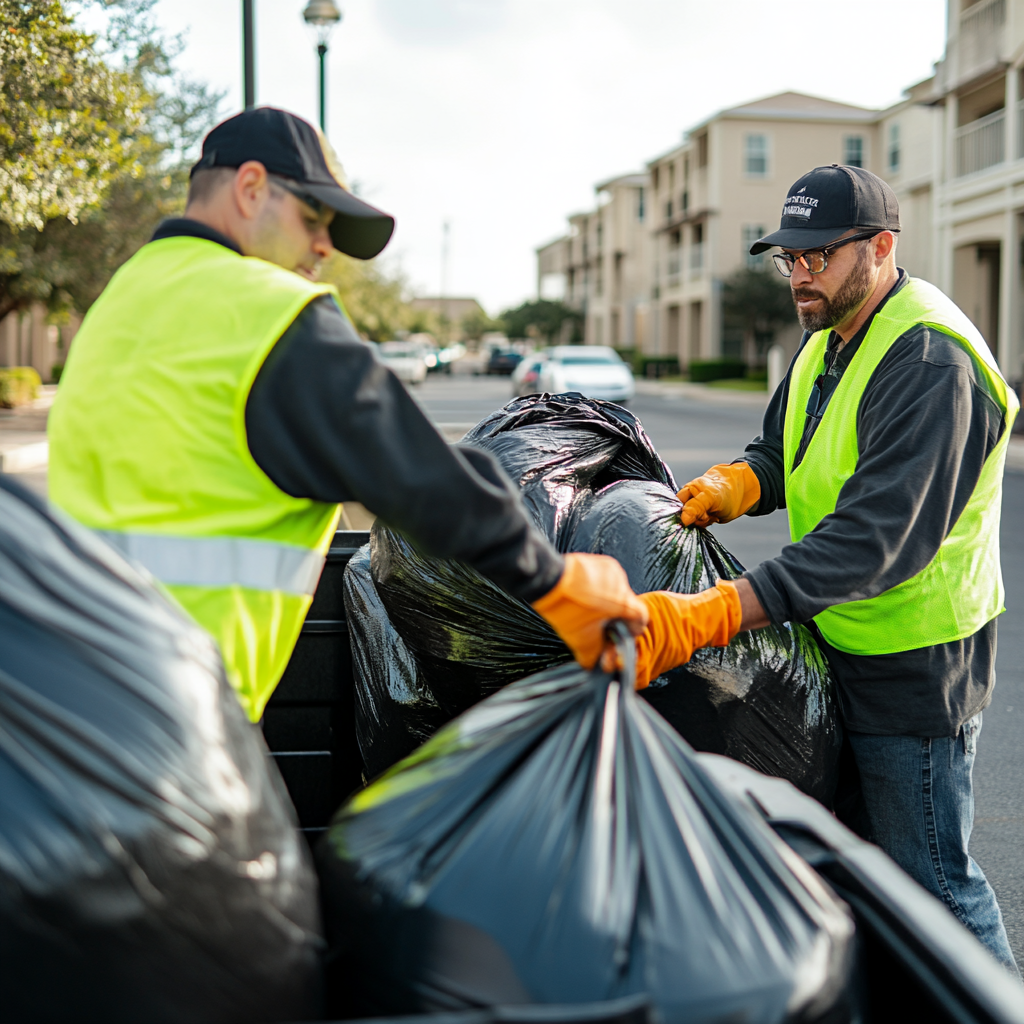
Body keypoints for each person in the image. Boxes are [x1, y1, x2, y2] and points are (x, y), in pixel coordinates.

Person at [47, 107, 733, 726]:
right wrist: (556, 584)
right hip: (176, 712)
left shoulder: (120, 303)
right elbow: (416, 474)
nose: (324, 248)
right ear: (250, 188)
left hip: (64, 689)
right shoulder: (265, 311)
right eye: (314, 220)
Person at [675, 164, 1020, 975]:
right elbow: (782, 448)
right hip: (845, 639)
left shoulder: (930, 363)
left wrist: (719, 611)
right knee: (867, 873)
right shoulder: (830, 334)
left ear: (882, 247)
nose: (800, 275)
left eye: (818, 257)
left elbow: (876, 537)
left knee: (933, 885)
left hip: (916, 660)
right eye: (788, 258)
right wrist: (741, 481)